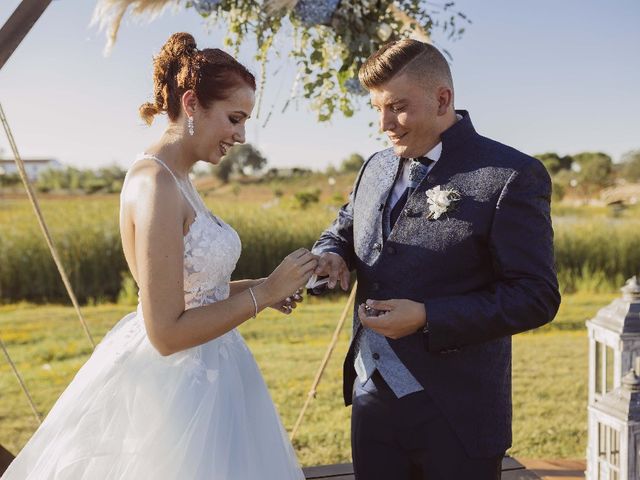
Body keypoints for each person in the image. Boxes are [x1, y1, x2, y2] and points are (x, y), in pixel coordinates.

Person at [2, 32, 312, 480]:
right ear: (192, 104)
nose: (241, 136)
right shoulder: (156, 183)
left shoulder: (180, 179)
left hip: (215, 373)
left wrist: (270, 286)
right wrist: (263, 294)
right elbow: (166, 331)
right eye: (235, 118)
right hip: (177, 389)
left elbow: (196, 292)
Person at [312, 39, 560, 480]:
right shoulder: (375, 167)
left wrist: (428, 316)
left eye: (398, 107)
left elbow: (536, 296)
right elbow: (344, 228)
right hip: (371, 400)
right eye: (378, 109)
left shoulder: (511, 174)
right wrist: (331, 253)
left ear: (443, 98)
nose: (384, 123)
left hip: (458, 413)